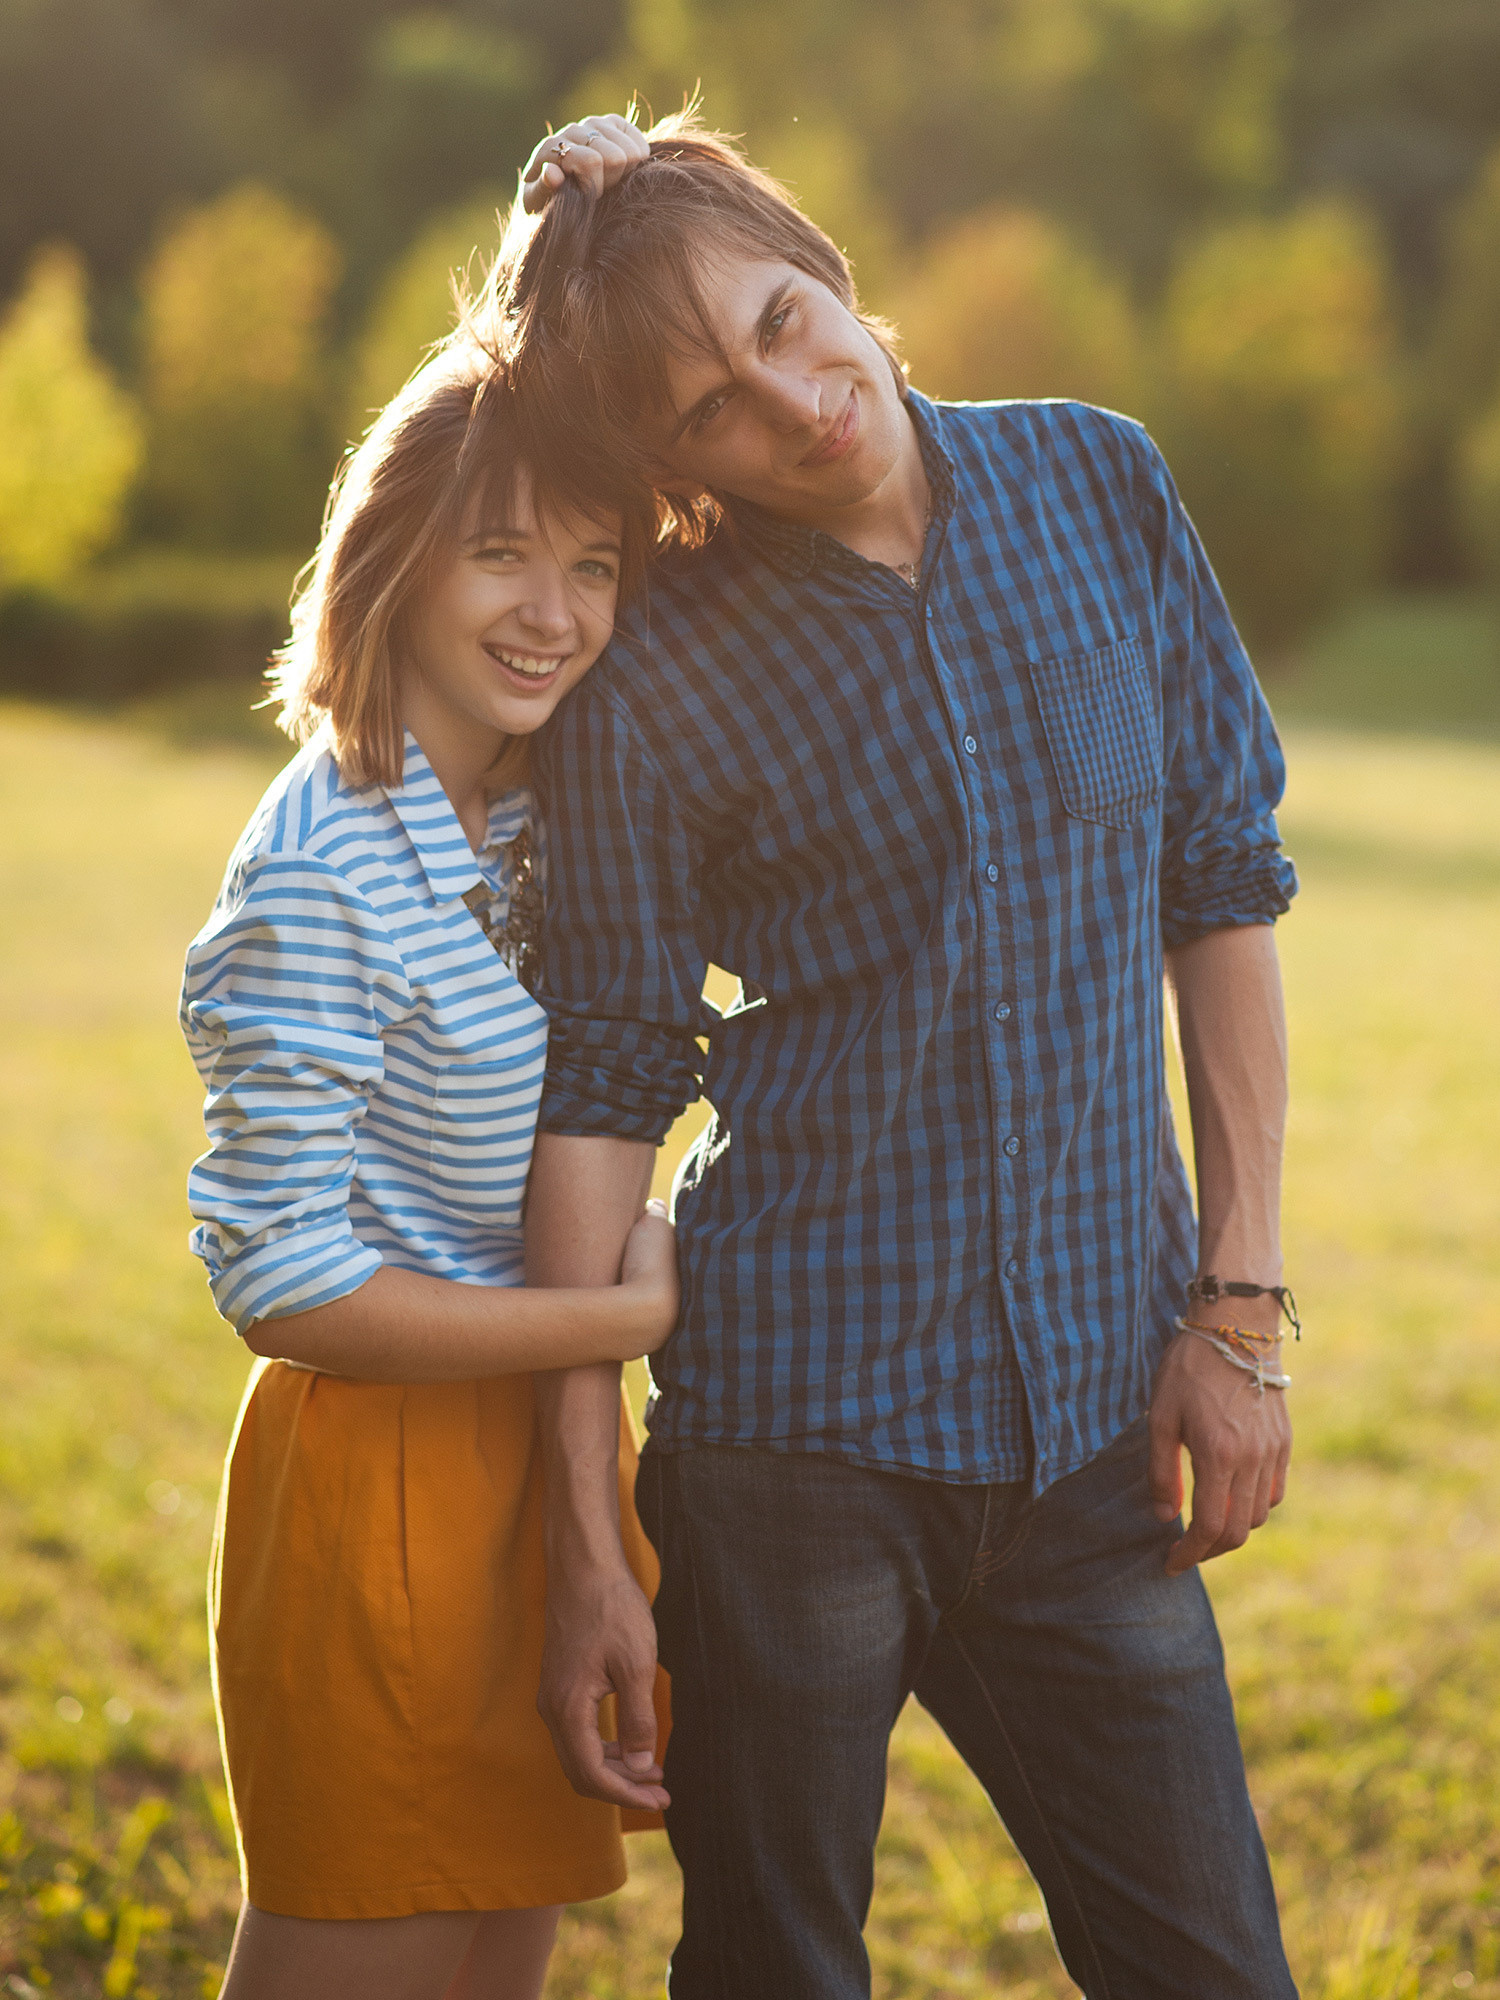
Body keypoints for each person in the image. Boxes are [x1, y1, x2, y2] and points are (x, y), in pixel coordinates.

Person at [506, 111, 1303, 1998]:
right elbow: (606, 1076)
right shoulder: (653, 670)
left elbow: (1222, 888)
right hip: (791, 1441)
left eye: (782, 320)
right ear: (662, 458)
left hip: (1103, 1427)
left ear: (830, 262)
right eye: (705, 408)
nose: (789, 402)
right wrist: (587, 1539)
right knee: (778, 1963)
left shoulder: (1100, 485)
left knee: (1213, 1967)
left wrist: (1241, 1305)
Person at [179, 325, 676, 2000]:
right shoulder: (320, 865)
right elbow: (286, 1281)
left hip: (544, 1473)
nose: (555, 608)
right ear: (394, 559)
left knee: (490, 1955)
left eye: (593, 564)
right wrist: (605, 1321)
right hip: (383, 1476)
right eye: (501, 553)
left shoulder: (539, 819)